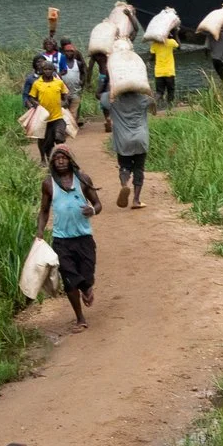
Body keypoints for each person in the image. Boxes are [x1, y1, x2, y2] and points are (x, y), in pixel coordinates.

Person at [39, 144, 102, 329]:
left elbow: (98, 204)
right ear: (52, 162)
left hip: (84, 237)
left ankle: (87, 286)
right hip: (61, 240)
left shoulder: (82, 179)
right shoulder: (48, 184)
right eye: (56, 158)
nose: (60, 161)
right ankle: (80, 318)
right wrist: (40, 233)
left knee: (87, 276)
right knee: (69, 279)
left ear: (71, 160)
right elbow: (43, 211)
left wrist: (92, 210)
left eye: (64, 158)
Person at [107, 69, 151, 208]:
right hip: (140, 138)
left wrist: (111, 86)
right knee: (139, 169)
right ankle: (136, 200)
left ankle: (124, 184)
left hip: (123, 140)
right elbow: (154, 106)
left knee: (124, 166)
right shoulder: (144, 100)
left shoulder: (114, 102)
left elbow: (101, 97)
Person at [24, 54, 70, 155]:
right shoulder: (37, 83)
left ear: (53, 70)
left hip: (57, 116)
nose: (48, 71)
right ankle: (48, 158)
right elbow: (31, 96)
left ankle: (62, 155)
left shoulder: (58, 82)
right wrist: (35, 103)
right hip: (44, 117)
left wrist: (65, 101)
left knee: (59, 137)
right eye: (45, 69)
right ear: (42, 71)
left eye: (50, 69)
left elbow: (65, 93)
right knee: (46, 141)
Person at [149, 25, 178, 110]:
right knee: (170, 91)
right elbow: (179, 46)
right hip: (169, 72)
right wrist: (176, 33)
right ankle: (170, 109)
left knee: (159, 92)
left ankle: (153, 102)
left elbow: (151, 57)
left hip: (159, 73)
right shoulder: (171, 42)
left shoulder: (154, 45)